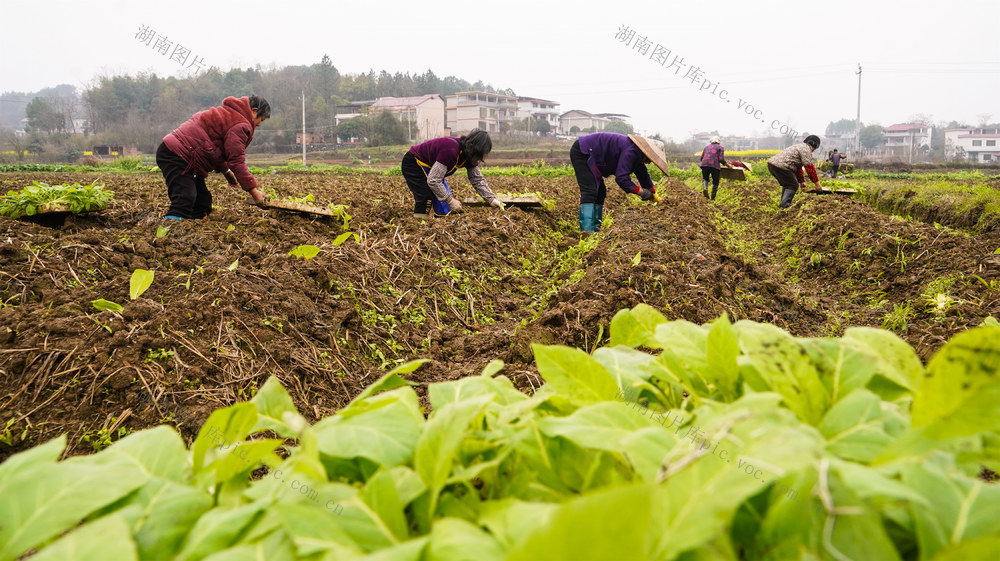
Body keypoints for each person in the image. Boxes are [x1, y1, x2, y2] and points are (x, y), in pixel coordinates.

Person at [156, 95, 270, 220]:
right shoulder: (240, 125)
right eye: (261, 119)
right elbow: (237, 162)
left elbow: (214, 147)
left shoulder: (229, 115)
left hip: (188, 157)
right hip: (176, 154)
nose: (259, 124)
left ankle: (193, 229)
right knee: (185, 197)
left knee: (202, 203)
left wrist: (226, 172)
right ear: (254, 111)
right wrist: (254, 192)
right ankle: (169, 232)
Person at [570, 132, 669, 233]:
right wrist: (641, 192)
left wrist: (653, 193)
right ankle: (586, 231)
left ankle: (595, 228)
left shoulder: (637, 155)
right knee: (590, 190)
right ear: (647, 154)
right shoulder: (631, 151)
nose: (650, 162)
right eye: (651, 159)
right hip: (583, 152)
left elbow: (642, 173)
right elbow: (622, 178)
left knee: (601, 192)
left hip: (594, 155)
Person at [401, 129, 505, 218]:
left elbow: (477, 179)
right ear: (471, 146)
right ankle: (419, 223)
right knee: (426, 195)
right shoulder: (450, 150)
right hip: (414, 162)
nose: (477, 158)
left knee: (443, 204)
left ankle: (439, 224)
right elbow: (433, 180)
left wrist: (491, 199)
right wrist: (451, 201)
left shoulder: (470, 156)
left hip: (431, 169)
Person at [767, 135, 823, 209]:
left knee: (788, 184)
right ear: (814, 145)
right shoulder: (806, 149)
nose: (814, 150)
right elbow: (809, 168)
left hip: (772, 164)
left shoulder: (799, 146)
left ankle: (782, 205)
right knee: (792, 185)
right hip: (782, 167)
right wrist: (817, 183)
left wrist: (801, 181)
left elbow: (798, 167)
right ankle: (784, 207)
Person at [699, 136, 727, 200]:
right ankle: (712, 198)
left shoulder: (706, 147)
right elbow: (721, 159)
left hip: (704, 165)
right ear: (719, 141)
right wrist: (726, 164)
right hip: (714, 166)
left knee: (705, 178)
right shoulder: (720, 148)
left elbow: (701, 158)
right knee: (715, 181)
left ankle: (705, 188)